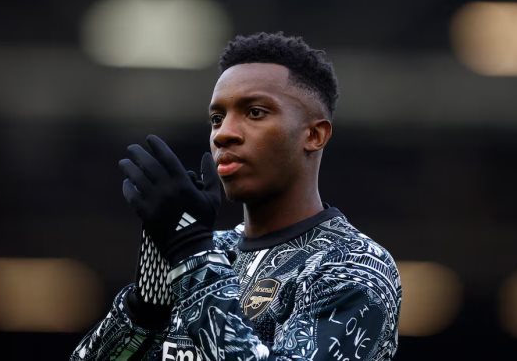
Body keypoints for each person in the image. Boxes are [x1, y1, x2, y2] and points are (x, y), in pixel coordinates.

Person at [70, 31, 402, 361]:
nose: (224, 133)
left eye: (255, 112)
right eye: (217, 118)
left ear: (314, 134)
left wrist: (191, 253)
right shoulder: (210, 252)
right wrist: (148, 303)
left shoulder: (352, 266)